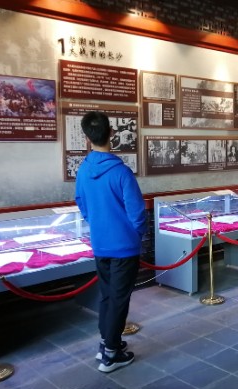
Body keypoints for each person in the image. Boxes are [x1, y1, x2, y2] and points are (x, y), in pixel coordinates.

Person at [75, 111, 147, 373]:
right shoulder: (121, 173)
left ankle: (106, 342)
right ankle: (111, 354)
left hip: (100, 243)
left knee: (107, 296)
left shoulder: (83, 170)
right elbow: (137, 212)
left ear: (87, 138)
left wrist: (96, 223)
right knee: (119, 299)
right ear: (112, 134)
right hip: (124, 246)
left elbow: (81, 203)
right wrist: (136, 234)